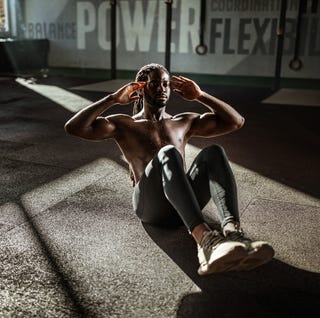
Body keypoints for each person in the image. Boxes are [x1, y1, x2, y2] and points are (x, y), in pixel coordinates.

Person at [64, 63, 274, 275]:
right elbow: (74, 127)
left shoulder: (182, 122)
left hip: (182, 206)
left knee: (214, 152)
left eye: (165, 84)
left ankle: (233, 233)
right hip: (150, 207)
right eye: (155, 84)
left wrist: (201, 95)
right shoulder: (124, 124)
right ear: (141, 88)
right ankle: (205, 242)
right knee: (168, 153)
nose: (162, 88)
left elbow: (236, 122)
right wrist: (112, 99)